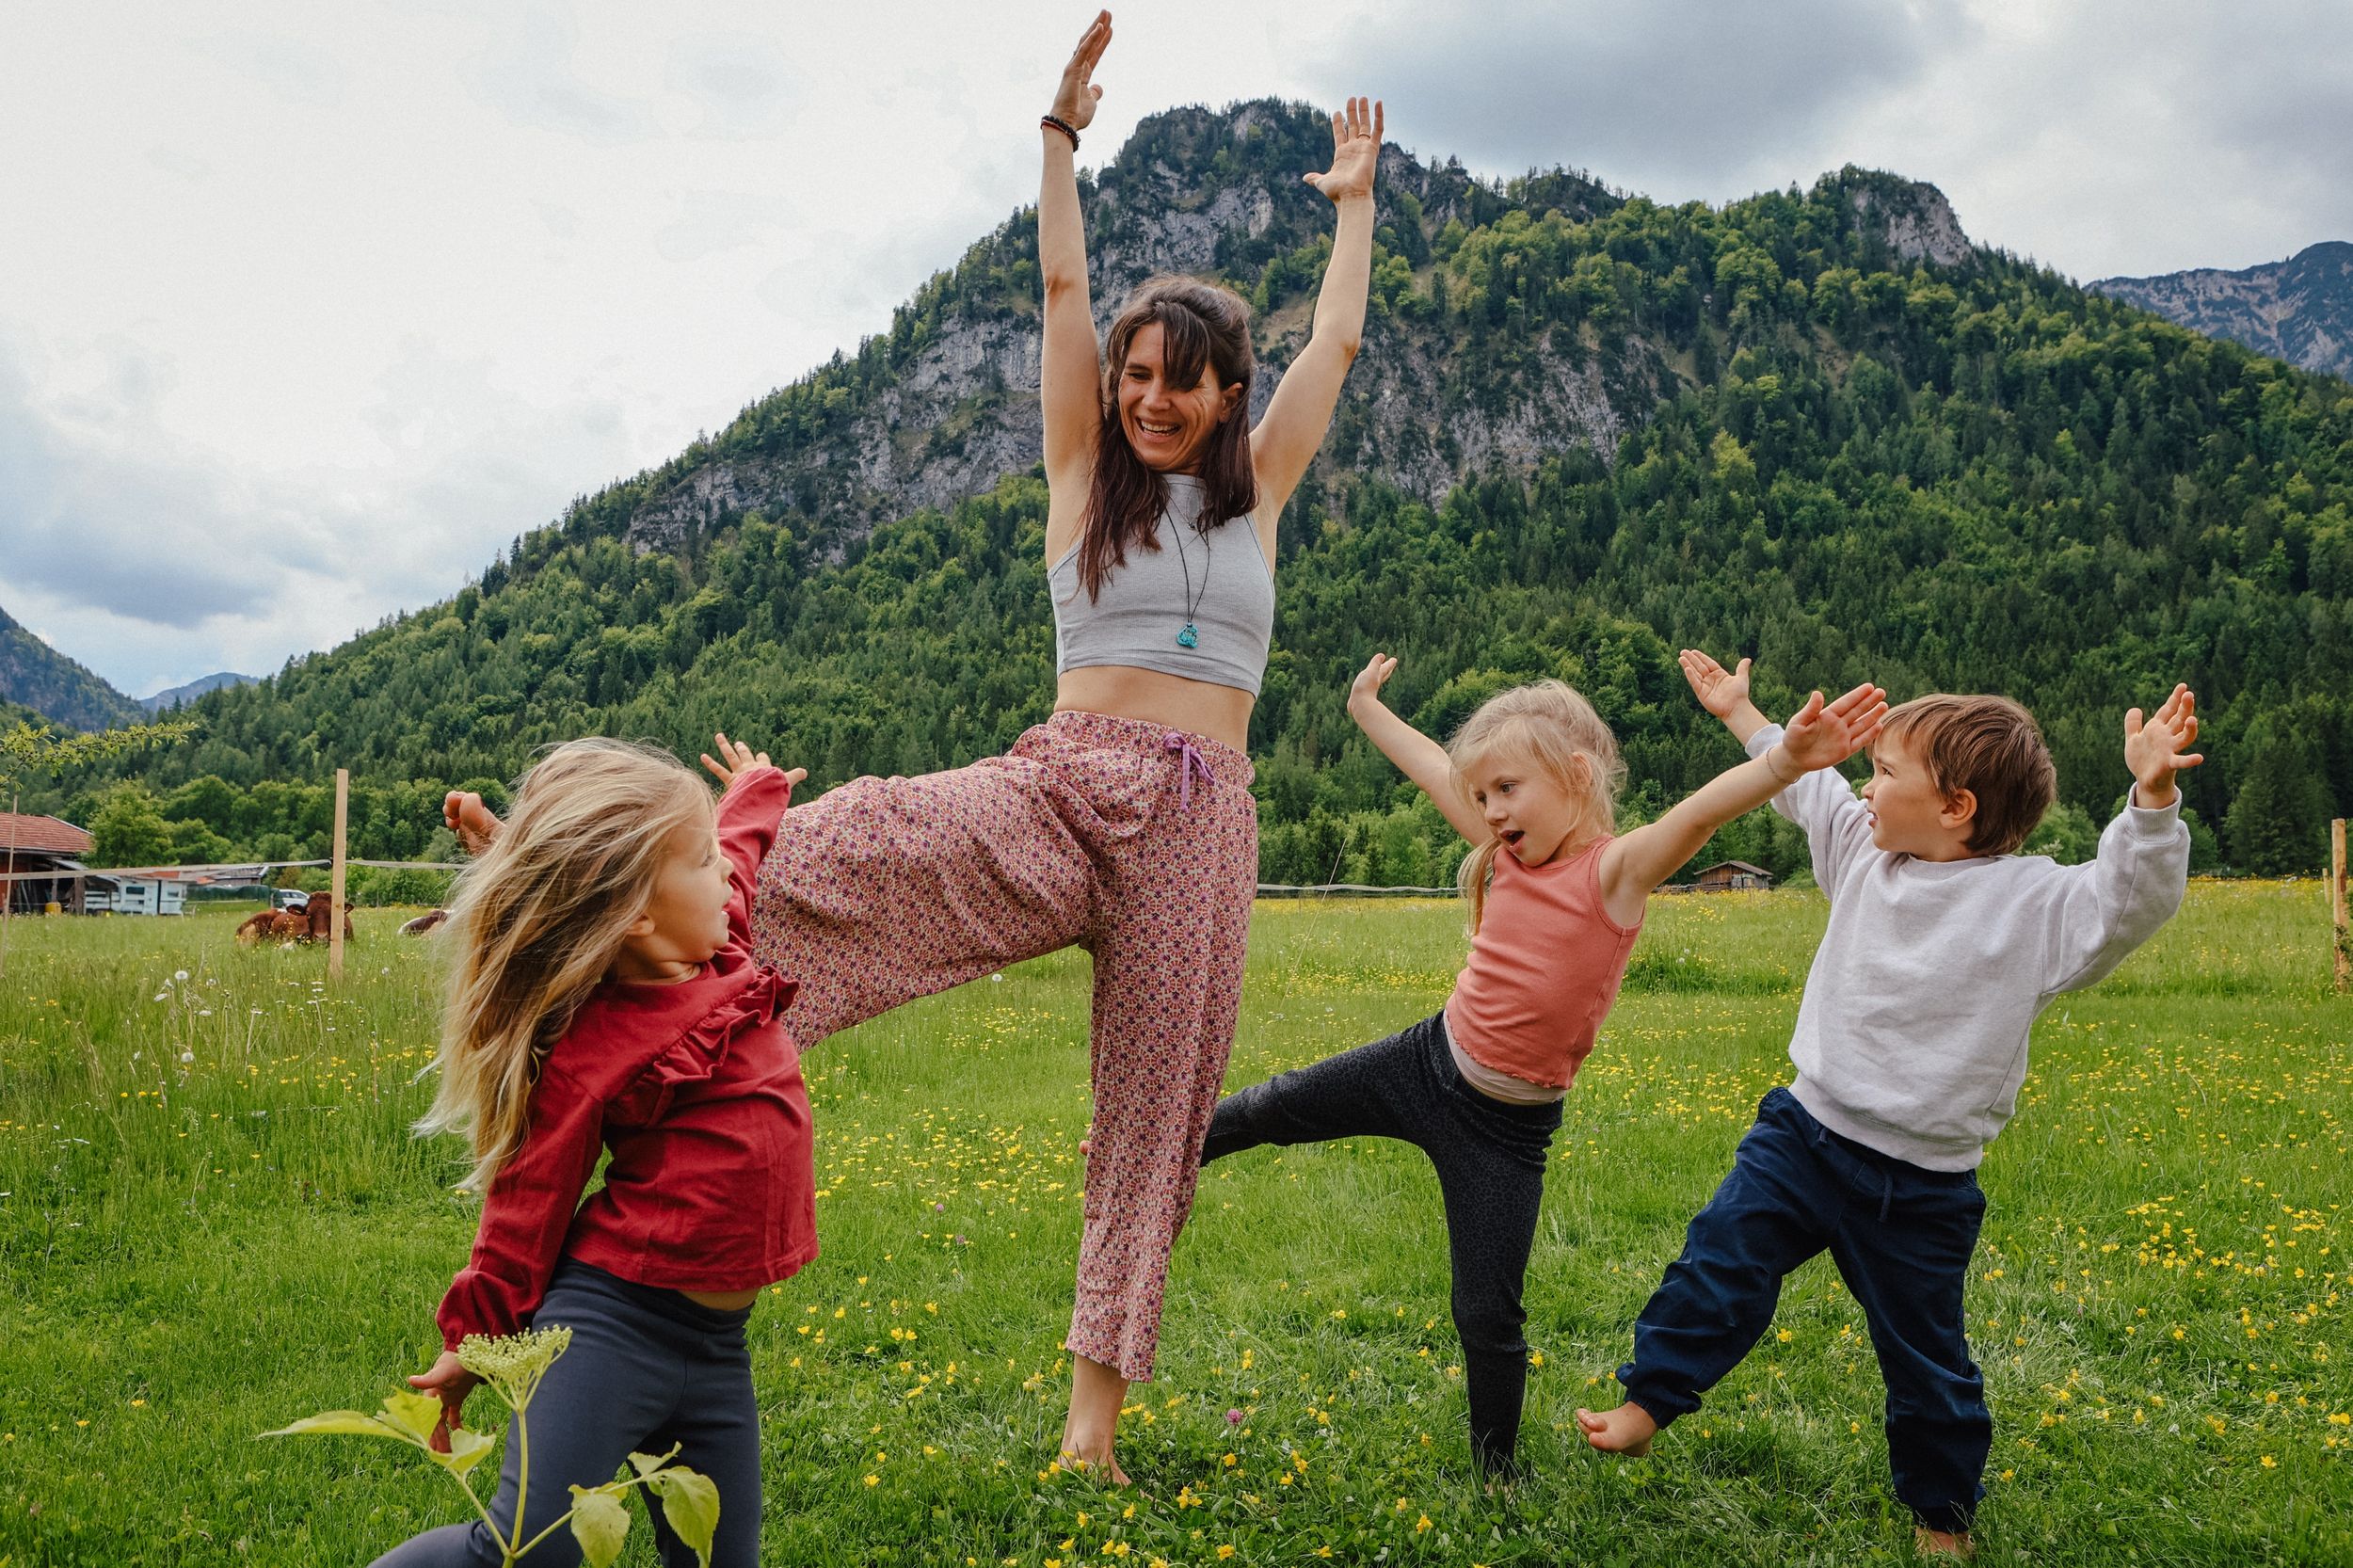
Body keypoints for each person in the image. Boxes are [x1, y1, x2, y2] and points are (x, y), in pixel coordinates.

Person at [446, 10, 1379, 1483]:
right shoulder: (1084, 478)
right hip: (1066, 784)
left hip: (1204, 824)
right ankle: (576, 876)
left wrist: (1355, 212)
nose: (1147, 396)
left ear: (1223, 391)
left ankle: (1091, 1432)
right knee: (853, 838)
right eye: (1134, 373)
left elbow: (1336, 337)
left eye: (1178, 378)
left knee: (1153, 1123)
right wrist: (1061, 141)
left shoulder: (1256, 493)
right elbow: (1064, 280)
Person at [1198, 653, 1888, 1475]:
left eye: (1506, 790)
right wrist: (1364, 709)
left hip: (1506, 1131)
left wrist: (1783, 762)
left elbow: (1699, 816)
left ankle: (1496, 1468)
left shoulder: (1616, 870)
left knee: (1486, 1310)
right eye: (1482, 795)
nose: (1489, 810)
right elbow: (1428, 768)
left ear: (1575, 774)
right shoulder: (1506, 855)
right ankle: (1160, 1155)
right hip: (1425, 1063)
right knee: (1273, 1107)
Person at [1577, 654, 2201, 1559]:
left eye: (1885, 772)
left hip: (1922, 1185)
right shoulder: (1867, 853)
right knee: (1719, 1262)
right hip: (1802, 1135)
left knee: (1927, 1362)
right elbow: (1806, 792)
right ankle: (1648, 1400)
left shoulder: (2034, 904)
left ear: (1957, 807)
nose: (1866, 790)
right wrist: (1744, 714)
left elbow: (2129, 901)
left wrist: (2150, 803)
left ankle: (1942, 1514)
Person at [382, 739, 811, 1567]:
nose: (724, 874)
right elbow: (525, 1207)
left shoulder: (723, 958)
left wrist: (758, 790)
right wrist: (473, 1342)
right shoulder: (593, 1044)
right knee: (523, 1552)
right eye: (700, 862)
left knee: (724, 1560)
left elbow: (741, 855)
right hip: (611, 1328)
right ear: (638, 914)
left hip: (719, 1348)